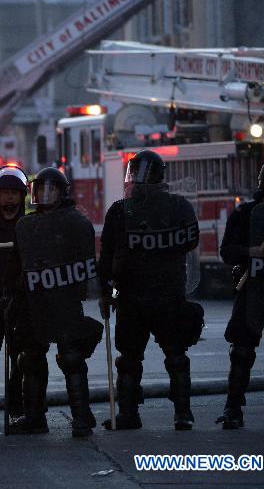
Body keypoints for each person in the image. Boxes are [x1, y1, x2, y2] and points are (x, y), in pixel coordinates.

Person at [98, 150, 202, 431]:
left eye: (144, 173)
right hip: (136, 295)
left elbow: (190, 244)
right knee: (132, 360)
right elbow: (106, 256)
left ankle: (181, 412)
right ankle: (135, 414)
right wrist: (104, 291)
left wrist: (105, 289)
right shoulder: (121, 211)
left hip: (163, 293)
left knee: (173, 356)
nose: (137, 180)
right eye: (135, 172)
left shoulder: (175, 207)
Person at [13, 168, 102, 438]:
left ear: (63, 192)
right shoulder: (25, 226)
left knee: (72, 358)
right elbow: (21, 264)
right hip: (35, 300)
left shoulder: (77, 223)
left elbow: (86, 266)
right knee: (30, 358)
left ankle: (81, 417)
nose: (45, 195)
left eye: (51, 189)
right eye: (41, 189)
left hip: (65, 299)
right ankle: (34, 417)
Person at [217, 157, 264, 430]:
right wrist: (250, 252)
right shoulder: (245, 214)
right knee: (242, 353)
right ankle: (233, 410)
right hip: (253, 293)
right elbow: (226, 252)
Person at [0, 165, 29, 426]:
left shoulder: (30, 225)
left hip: (21, 300)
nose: (9, 198)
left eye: (14, 193)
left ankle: (17, 406)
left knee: (21, 359)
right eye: (5, 193)